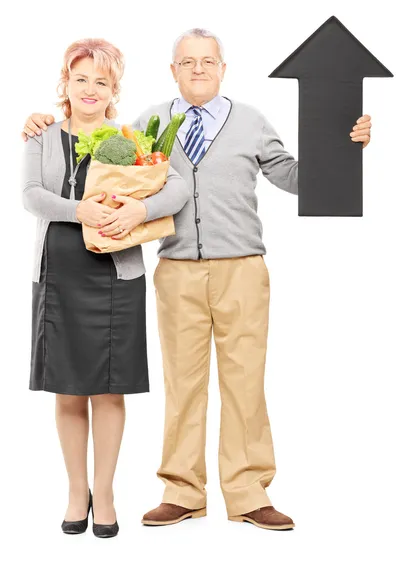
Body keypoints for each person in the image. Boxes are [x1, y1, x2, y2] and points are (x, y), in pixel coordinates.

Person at [22, 28, 372, 531]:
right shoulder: (147, 125)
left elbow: (296, 178)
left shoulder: (251, 122)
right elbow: (100, 158)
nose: (199, 69)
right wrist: (40, 121)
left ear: (223, 69)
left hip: (243, 268)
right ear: (173, 71)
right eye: (188, 62)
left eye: (208, 61)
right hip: (177, 270)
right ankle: (182, 491)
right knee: (182, 384)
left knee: (245, 382)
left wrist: (345, 146)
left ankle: (249, 494)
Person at [21, 38, 189, 538]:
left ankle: (107, 490)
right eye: (81, 79)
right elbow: (32, 196)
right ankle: (77, 491)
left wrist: (141, 209)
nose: (90, 89)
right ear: (65, 84)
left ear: (114, 88)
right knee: (68, 390)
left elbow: (175, 186)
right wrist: (80, 211)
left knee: (110, 389)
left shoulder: (132, 137)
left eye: (102, 80)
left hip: (116, 277)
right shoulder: (43, 136)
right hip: (58, 275)